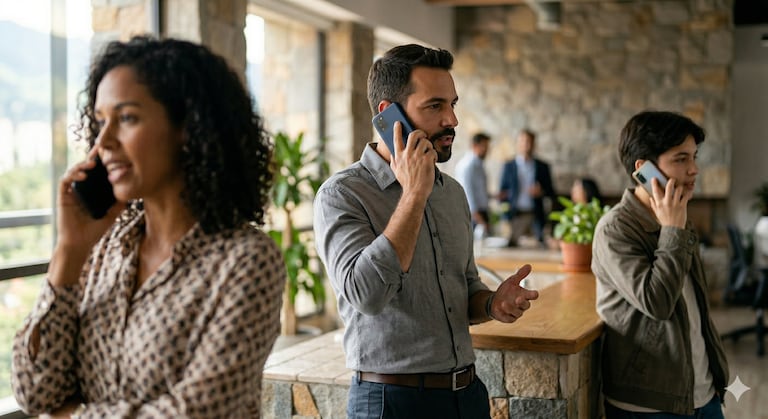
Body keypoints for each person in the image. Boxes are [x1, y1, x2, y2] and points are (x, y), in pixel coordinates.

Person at [11, 36, 285, 418]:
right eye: (99, 122)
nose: (103, 142)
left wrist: (70, 415)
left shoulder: (247, 261)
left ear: (188, 126)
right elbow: (35, 392)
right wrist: (68, 252)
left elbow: (192, 414)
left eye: (126, 118)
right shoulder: (103, 249)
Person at [313, 44, 539, 419]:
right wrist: (413, 195)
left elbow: (463, 288)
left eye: (453, 104)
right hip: (391, 402)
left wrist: (490, 303)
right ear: (389, 115)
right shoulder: (342, 194)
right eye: (435, 106)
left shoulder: (452, 194)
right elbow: (365, 294)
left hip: (467, 397)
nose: (452, 119)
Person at [592, 110, 729, 418]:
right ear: (643, 169)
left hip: (702, 390)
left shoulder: (678, 216)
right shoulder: (616, 229)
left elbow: (696, 308)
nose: (694, 170)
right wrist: (672, 232)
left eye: (694, 157)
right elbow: (658, 303)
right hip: (649, 403)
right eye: (681, 159)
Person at [498, 129, 555, 247]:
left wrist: (541, 192)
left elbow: (551, 192)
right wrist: (505, 216)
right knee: (511, 247)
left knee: (541, 247)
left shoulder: (543, 167)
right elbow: (502, 193)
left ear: (534, 144)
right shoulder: (509, 166)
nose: (525, 144)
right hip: (515, 216)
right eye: (522, 141)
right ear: (518, 143)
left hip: (536, 215)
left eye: (529, 141)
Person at [455, 132, 492, 234]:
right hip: (474, 216)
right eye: (485, 146)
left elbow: (479, 191)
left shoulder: (479, 164)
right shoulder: (468, 166)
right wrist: (480, 221)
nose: (487, 150)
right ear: (475, 146)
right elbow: (467, 194)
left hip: (482, 213)